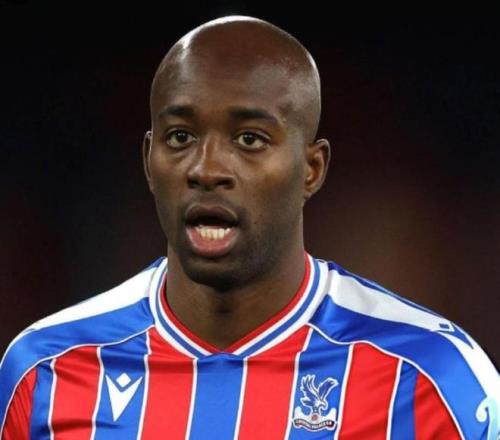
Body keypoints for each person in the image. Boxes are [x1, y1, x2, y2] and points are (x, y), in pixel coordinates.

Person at [0, 15, 498, 440]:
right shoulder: (45, 372)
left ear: (312, 169)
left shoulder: (431, 379)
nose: (206, 169)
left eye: (249, 139)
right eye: (180, 136)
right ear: (149, 161)